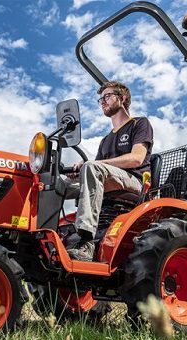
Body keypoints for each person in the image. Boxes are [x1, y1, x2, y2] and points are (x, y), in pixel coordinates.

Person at [66, 81, 154, 261]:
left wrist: (90, 165)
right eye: (101, 99)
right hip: (106, 178)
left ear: (122, 99)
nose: (103, 101)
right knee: (58, 185)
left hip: (134, 181)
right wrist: (79, 169)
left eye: (107, 96)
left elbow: (136, 158)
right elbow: (97, 168)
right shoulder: (106, 139)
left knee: (91, 167)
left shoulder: (139, 123)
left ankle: (86, 241)